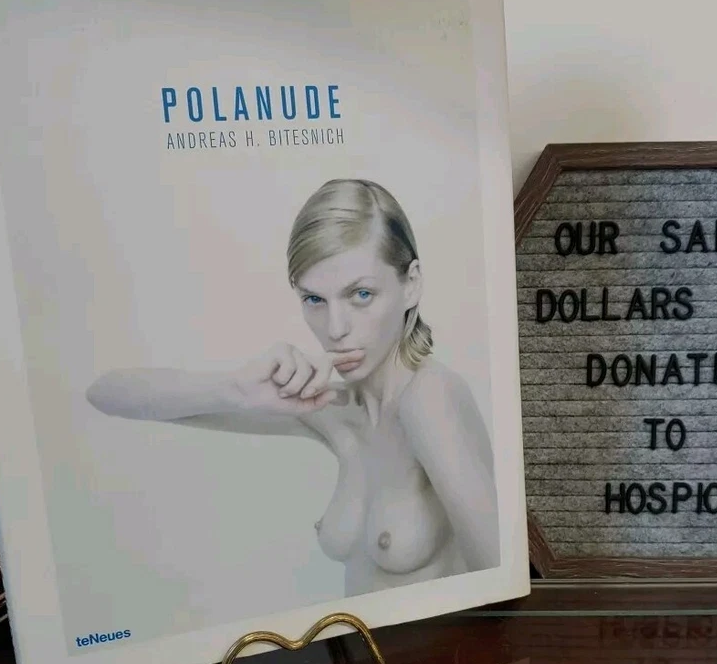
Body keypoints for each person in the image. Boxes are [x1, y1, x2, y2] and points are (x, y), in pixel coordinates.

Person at [86, 178, 500, 596]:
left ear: (411, 283)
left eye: (361, 294)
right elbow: (107, 394)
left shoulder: (429, 398)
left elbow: (500, 588)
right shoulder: (334, 408)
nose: (335, 329)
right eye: (314, 300)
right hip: (356, 640)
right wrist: (236, 390)